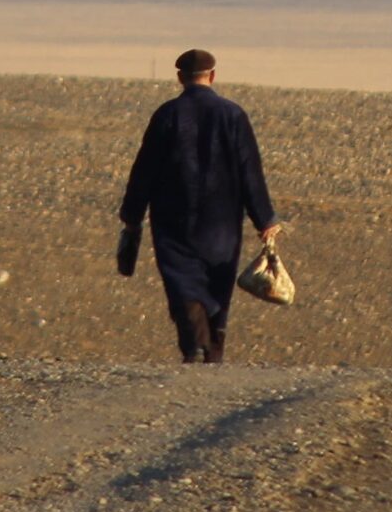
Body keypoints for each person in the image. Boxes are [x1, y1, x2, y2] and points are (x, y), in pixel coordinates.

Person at [116, 49, 282, 364]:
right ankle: (212, 349)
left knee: (182, 282)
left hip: (173, 219)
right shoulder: (233, 115)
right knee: (218, 281)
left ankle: (194, 345)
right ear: (213, 76)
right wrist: (264, 219)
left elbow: (144, 170)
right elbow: (250, 171)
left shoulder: (167, 115)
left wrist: (132, 216)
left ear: (180, 78)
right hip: (222, 221)